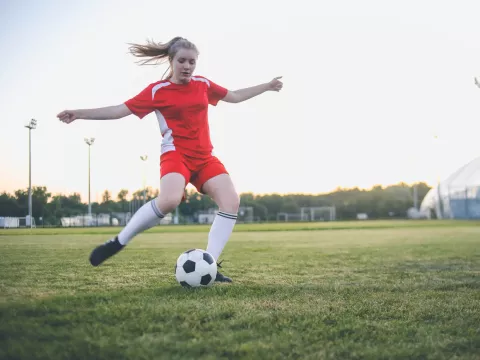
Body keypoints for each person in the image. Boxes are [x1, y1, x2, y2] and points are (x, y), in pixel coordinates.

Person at [57, 36, 283, 283]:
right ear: (172, 61)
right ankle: (118, 241)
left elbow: (235, 96)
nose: (187, 66)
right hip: (176, 154)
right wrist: (79, 114)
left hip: (205, 157)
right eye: (182, 61)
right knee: (169, 200)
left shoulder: (202, 84)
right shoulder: (157, 91)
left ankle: (211, 265)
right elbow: (119, 110)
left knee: (231, 202)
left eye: (192, 62)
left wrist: (267, 86)